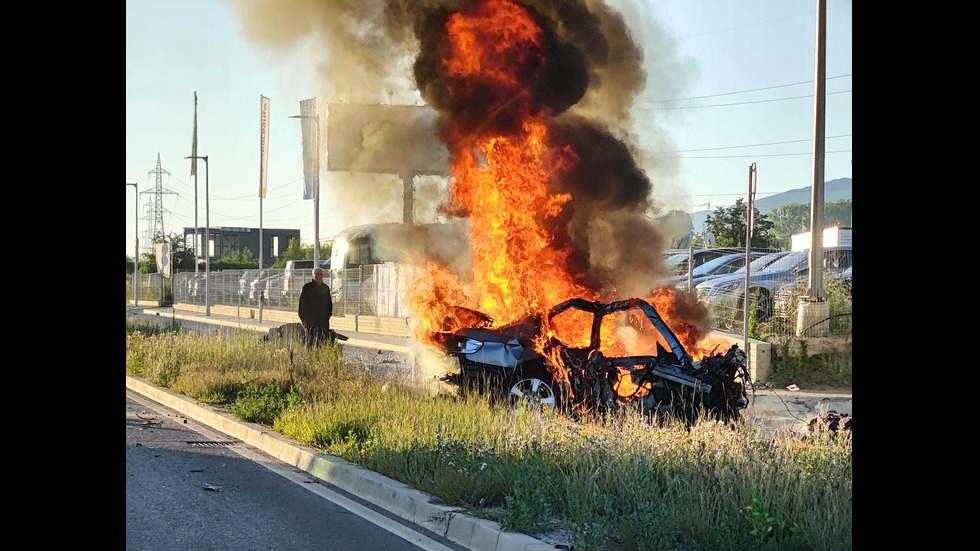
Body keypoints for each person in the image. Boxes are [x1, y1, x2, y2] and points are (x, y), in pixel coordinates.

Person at [297, 267, 333, 348]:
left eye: (321, 274)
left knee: (323, 342)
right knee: (310, 341)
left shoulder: (325, 288)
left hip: (323, 320)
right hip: (310, 320)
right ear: (313, 275)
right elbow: (302, 304)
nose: (319, 276)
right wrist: (303, 319)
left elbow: (329, 304)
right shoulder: (307, 288)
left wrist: (328, 316)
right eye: (317, 274)